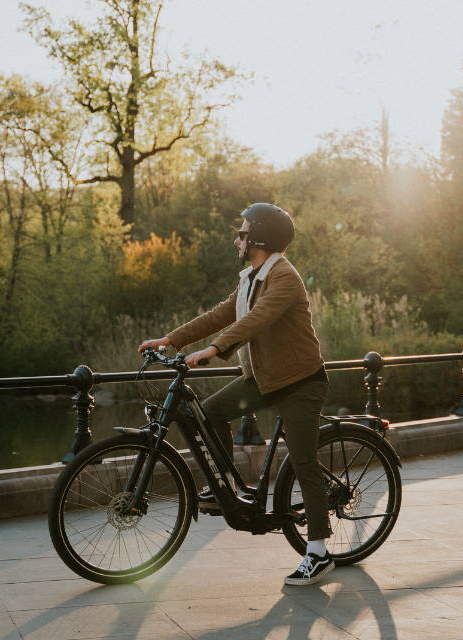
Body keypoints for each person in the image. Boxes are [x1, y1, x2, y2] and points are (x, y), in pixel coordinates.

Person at [138, 203, 333, 586]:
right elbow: (222, 313)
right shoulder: (251, 277)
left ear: (259, 239)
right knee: (209, 412)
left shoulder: (284, 277)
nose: (236, 239)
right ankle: (226, 484)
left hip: (299, 382)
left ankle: (318, 553)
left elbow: (256, 319)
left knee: (303, 462)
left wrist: (214, 350)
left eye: (242, 233)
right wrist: (172, 339)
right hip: (263, 379)